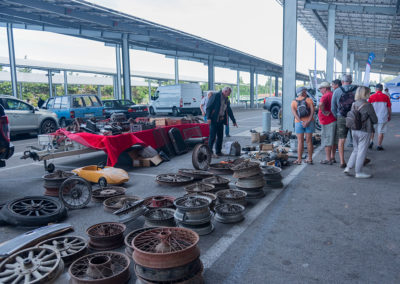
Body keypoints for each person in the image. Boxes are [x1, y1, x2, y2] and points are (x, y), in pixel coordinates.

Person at [344, 86, 377, 178]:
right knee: (362, 151)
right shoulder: (368, 105)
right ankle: (358, 172)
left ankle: (348, 167)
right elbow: (375, 120)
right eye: (369, 92)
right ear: (365, 94)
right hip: (365, 130)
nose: (370, 94)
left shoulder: (354, 104)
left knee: (355, 150)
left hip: (354, 129)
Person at [331, 74, 357, 168]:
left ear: (342, 82)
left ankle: (342, 161)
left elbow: (333, 107)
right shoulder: (356, 90)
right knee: (355, 138)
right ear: (351, 81)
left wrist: (338, 116)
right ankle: (357, 159)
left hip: (341, 116)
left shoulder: (337, 91)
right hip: (354, 116)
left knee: (341, 139)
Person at [206, 87, 237, 157]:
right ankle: (209, 153)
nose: (229, 95)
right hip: (214, 120)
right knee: (212, 137)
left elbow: (229, 110)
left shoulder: (226, 99)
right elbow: (208, 107)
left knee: (220, 137)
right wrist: (208, 118)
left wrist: (233, 121)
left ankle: (218, 151)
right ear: (225, 91)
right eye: (228, 93)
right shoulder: (215, 96)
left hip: (221, 120)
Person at [291, 86, 315, 165]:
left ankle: (299, 159)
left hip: (298, 123)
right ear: (303, 92)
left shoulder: (293, 102)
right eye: (305, 91)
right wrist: (307, 121)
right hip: (309, 122)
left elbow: (294, 114)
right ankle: (310, 159)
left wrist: (301, 121)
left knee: (300, 141)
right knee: (309, 141)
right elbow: (312, 112)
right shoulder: (309, 100)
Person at [317, 82, 337, 164]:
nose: (320, 90)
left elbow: (321, 104)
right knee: (333, 140)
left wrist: (323, 111)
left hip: (327, 121)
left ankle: (328, 159)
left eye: (321, 89)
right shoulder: (333, 94)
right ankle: (332, 157)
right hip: (333, 119)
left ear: (325, 88)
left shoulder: (325, 96)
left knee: (327, 140)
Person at [368, 83, 391, 150]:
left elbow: (368, 107)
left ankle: (371, 142)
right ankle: (379, 145)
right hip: (383, 117)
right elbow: (389, 107)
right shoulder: (386, 97)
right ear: (382, 89)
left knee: (372, 130)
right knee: (381, 131)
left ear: (375, 89)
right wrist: (389, 115)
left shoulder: (371, 97)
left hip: (373, 117)